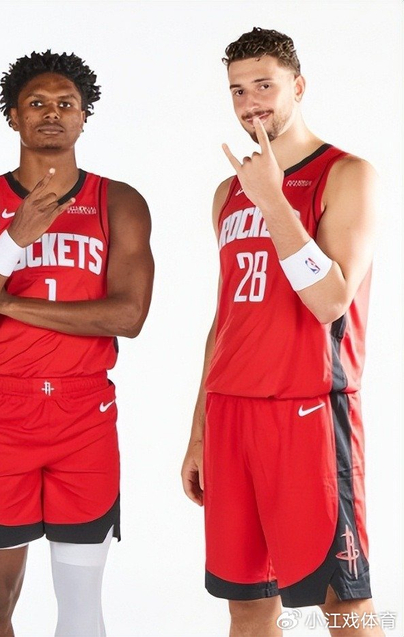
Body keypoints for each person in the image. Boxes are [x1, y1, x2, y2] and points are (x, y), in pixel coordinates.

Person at [0, 50, 154, 636]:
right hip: (2, 413)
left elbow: (128, 315)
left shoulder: (118, 201)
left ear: (84, 117)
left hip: (85, 414)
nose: (52, 113)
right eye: (36, 103)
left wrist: (1, 299)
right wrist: (15, 239)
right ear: (13, 115)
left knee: (81, 607)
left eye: (65, 104)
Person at [181, 27, 382, 636]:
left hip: (307, 414)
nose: (250, 104)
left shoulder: (347, 173)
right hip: (230, 416)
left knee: (343, 605)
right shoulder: (227, 193)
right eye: (238, 91)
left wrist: (273, 202)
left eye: (264, 86)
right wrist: (199, 430)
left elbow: (330, 300)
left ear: (298, 86)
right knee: (247, 605)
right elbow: (225, 318)